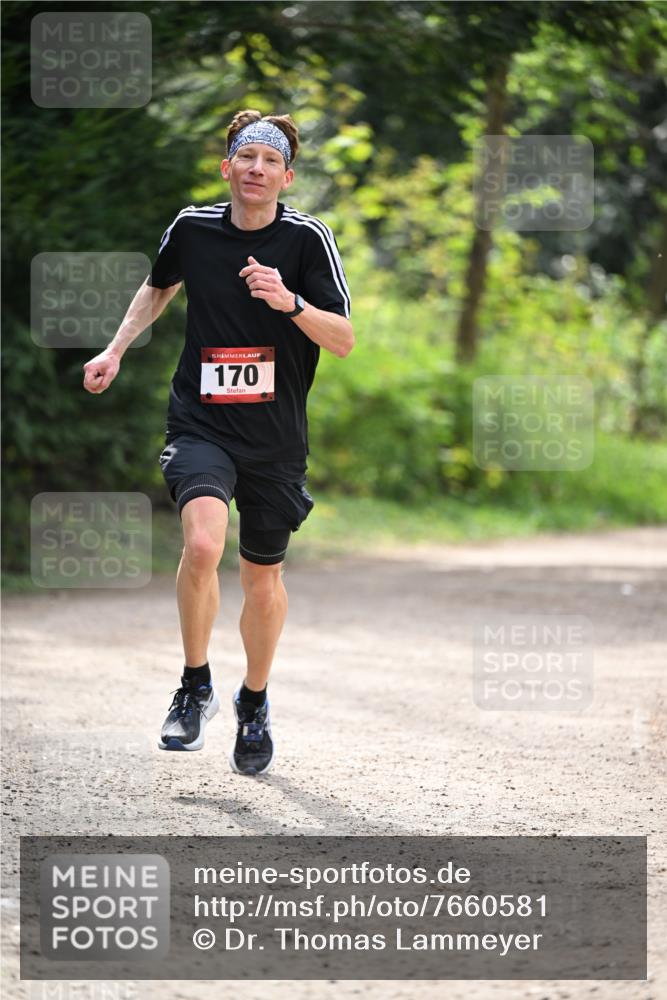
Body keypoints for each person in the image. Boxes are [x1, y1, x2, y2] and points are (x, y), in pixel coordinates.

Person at [83, 109, 354, 776]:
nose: (257, 169)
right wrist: (115, 349)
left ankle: (253, 700)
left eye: (271, 161)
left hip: (274, 438)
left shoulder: (308, 239)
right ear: (227, 167)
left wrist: (290, 302)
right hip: (200, 422)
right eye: (247, 157)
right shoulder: (193, 228)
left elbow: (344, 340)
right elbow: (157, 288)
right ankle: (194, 684)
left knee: (262, 580)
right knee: (203, 545)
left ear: (287, 177)